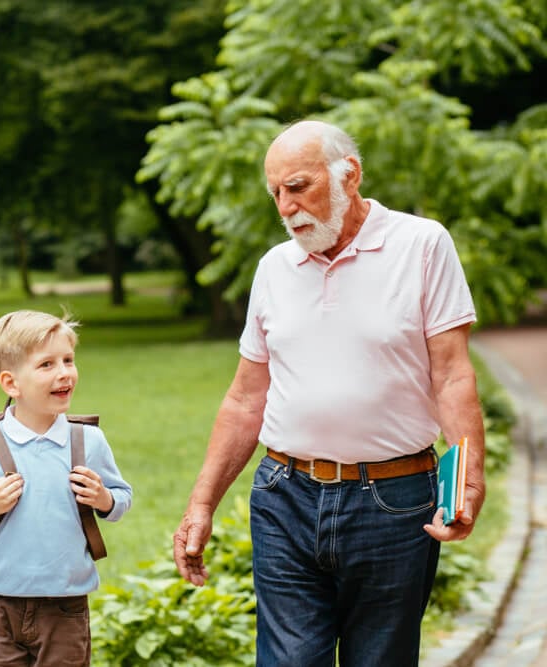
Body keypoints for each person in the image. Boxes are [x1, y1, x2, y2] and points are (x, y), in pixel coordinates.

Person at [172, 120, 485, 666]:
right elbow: (246, 398)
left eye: (297, 186)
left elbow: (453, 376)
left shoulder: (422, 244)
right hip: (284, 496)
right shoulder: (275, 267)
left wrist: (467, 483)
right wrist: (201, 505)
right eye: (276, 194)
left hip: (395, 500)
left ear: (349, 174)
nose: (286, 207)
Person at [0, 310, 132, 666]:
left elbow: (122, 500)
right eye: (46, 364)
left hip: (65, 608)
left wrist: (104, 499)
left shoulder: (88, 441)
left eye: (68, 360)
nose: (64, 372)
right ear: (11, 384)